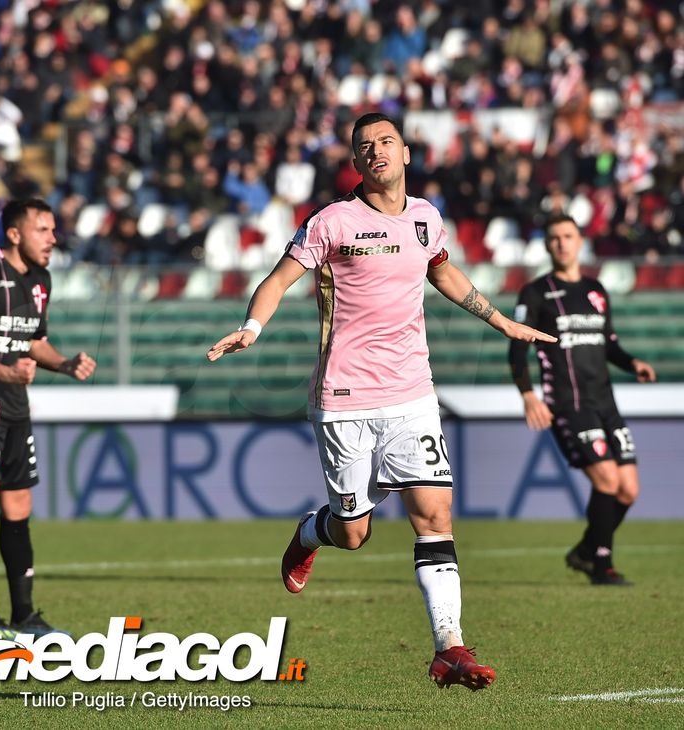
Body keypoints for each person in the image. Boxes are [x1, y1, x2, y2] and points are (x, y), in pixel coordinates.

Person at [206, 112, 555, 691]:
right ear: (355, 162)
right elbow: (275, 281)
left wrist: (502, 323)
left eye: (386, 141)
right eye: (364, 146)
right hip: (344, 397)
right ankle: (311, 531)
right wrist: (252, 327)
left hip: (412, 393)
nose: (377, 151)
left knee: (434, 515)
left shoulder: (426, 218)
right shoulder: (332, 222)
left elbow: (444, 273)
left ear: (407, 153)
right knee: (353, 533)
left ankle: (451, 648)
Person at [0, 197, 96, 639]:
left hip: (13, 404)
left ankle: (24, 616)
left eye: (52, 230)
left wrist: (63, 363)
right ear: (14, 234)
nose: (53, 238)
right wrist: (5, 369)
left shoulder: (41, 279)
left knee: (18, 505)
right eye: (42, 230)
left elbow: (34, 340)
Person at [509, 214, 656, 586]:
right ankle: (601, 565)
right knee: (606, 479)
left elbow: (609, 344)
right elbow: (517, 350)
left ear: (579, 242)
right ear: (547, 245)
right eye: (555, 238)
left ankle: (585, 551)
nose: (561, 243)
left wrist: (631, 362)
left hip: (605, 402)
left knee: (630, 489)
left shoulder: (596, 290)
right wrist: (528, 395)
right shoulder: (536, 292)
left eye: (568, 236)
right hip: (567, 404)